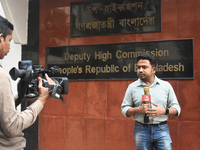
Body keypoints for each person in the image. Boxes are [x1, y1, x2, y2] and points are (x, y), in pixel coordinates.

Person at [0, 15, 54, 149]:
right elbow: (12, 127)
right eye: (10, 41)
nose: (10, 48)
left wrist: (21, 97)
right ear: (1, 38)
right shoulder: (1, 76)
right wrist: (41, 101)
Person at [121, 54, 181, 150]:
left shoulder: (166, 86)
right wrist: (138, 109)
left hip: (161, 128)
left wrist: (164, 111)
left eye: (144, 67)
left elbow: (177, 109)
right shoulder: (132, 87)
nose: (140, 70)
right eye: (138, 67)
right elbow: (124, 109)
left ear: (153, 70)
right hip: (141, 129)